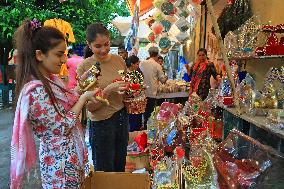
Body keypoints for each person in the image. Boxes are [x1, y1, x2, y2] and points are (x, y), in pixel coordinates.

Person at [10, 19, 100, 189]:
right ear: (39, 55)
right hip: (60, 168)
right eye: (59, 54)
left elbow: (66, 105)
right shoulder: (36, 91)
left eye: (65, 54)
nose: (64, 60)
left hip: (67, 162)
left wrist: (82, 89)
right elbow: (61, 127)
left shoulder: (51, 81)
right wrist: (83, 98)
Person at [76, 23, 129, 172]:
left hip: (122, 118)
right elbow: (90, 107)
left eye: (106, 44)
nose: (104, 49)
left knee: (120, 167)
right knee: (105, 170)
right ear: (89, 45)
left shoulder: (119, 60)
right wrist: (108, 91)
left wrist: (129, 91)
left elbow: (124, 88)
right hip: (102, 124)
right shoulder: (85, 67)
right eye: (98, 46)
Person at [140, 47, 167, 128]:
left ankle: (144, 127)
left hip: (141, 92)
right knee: (150, 112)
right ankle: (148, 128)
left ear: (149, 53)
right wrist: (166, 77)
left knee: (143, 112)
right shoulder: (157, 65)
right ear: (157, 54)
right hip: (152, 92)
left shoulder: (142, 63)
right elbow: (163, 80)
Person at [126, 55, 143, 132]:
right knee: (132, 120)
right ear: (132, 64)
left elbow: (140, 84)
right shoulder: (125, 74)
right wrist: (132, 94)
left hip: (138, 101)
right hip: (129, 101)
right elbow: (125, 87)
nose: (138, 66)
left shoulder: (137, 73)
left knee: (137, 119)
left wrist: (140, 88)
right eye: (137, 64)